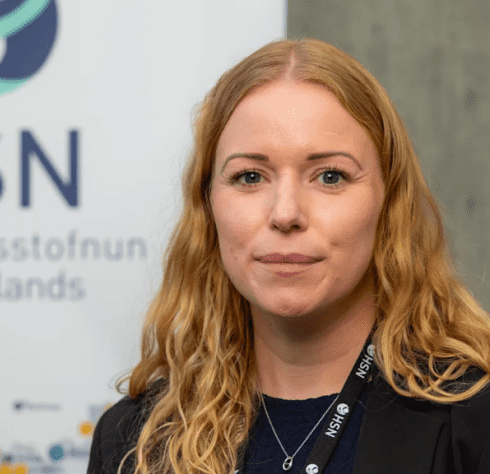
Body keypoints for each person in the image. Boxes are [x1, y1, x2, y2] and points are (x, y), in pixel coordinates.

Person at [86, 37, 490, 474]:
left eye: (330, 176)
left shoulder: (474, 420)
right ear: (209, 204)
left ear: (389, 201)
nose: (285, 214)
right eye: (250, 176)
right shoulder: (132, 441)